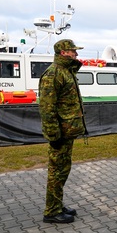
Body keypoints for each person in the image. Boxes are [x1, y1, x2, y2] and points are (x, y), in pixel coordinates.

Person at [39, 39, 88, 223]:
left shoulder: (67, 71)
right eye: (73, 51)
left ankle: (57, 204)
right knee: (56, 171)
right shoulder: (54, 74)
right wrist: (53, 135)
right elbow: (47, 108)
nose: (76, 54)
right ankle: (51, 212)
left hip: (67, 132)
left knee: (63, 170)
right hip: (59, 134)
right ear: (63, 53)